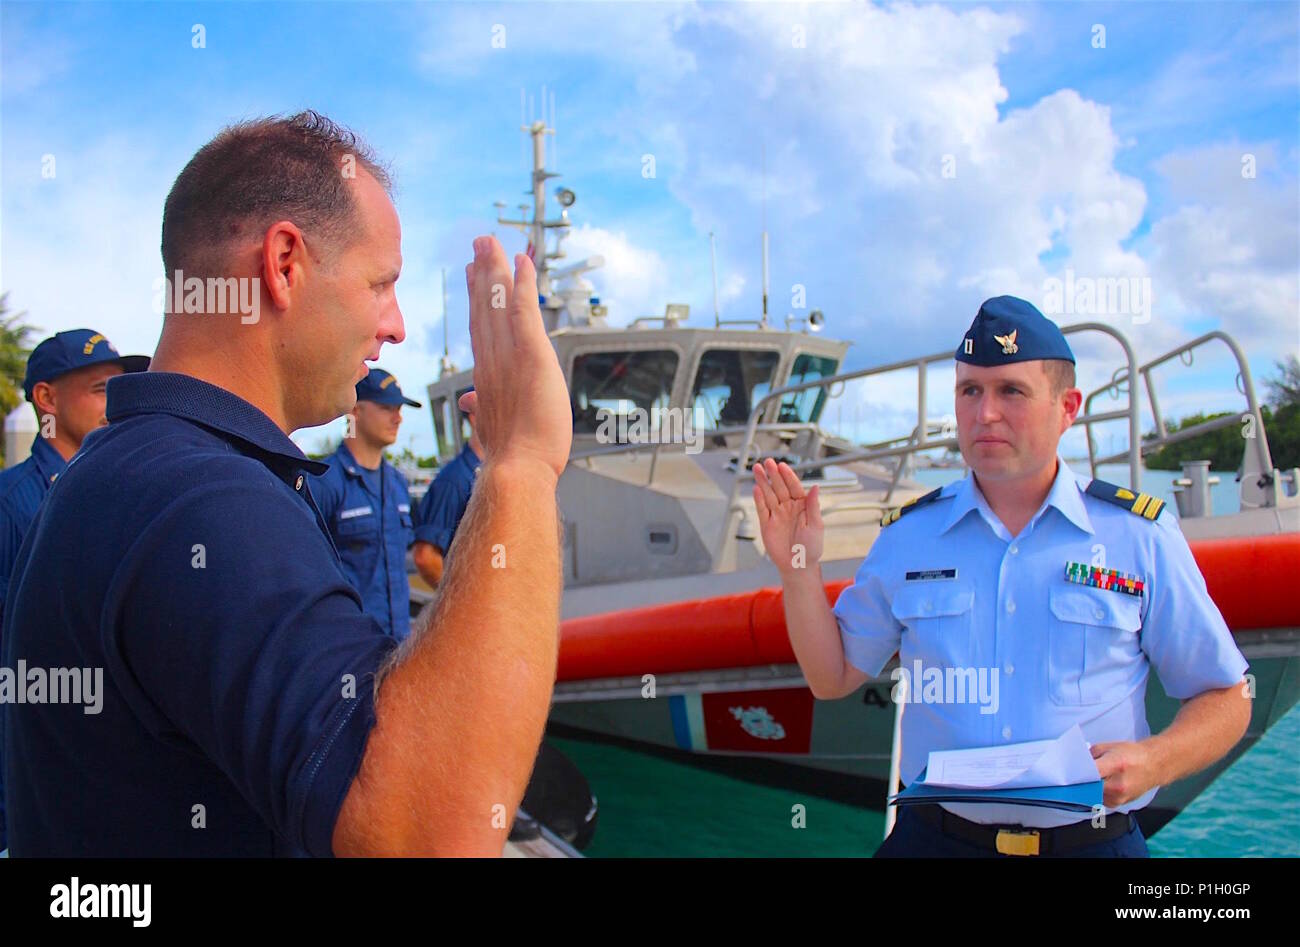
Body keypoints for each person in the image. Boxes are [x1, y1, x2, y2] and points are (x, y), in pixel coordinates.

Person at [1, 111, 572, 856]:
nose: (396, 326)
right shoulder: (200, 498)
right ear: (283, 263)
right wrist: (523, 465)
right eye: (380, 284)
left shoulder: (131, 472)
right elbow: (425, 834)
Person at [753, 295, 1251, 858]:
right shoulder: (908, 538)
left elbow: (1227, 694)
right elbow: (834, 676)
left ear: (1068, 408)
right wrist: (799, 567)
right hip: (935, 842)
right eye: (970, 391)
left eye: (1011, 391)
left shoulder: (1139, 537)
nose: (984, 413)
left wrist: (1158, 759)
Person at [0, 328, 147, 853]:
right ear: (46, 399)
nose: (116, 403)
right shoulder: (12, 503)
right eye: (100, 388)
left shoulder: (119, 495)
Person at [313, 368, 419, 641]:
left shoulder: (398, 485)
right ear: (354, 410)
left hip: (398, 647)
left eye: (399, 408)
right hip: (349, 650)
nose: (398, 418)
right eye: (386, 407)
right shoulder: (323, 483)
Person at [412, 389, 483, 587]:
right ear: (474, 418)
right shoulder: (455, 480)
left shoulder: (489, 474)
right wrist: (460, 602)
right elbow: (426, 557)